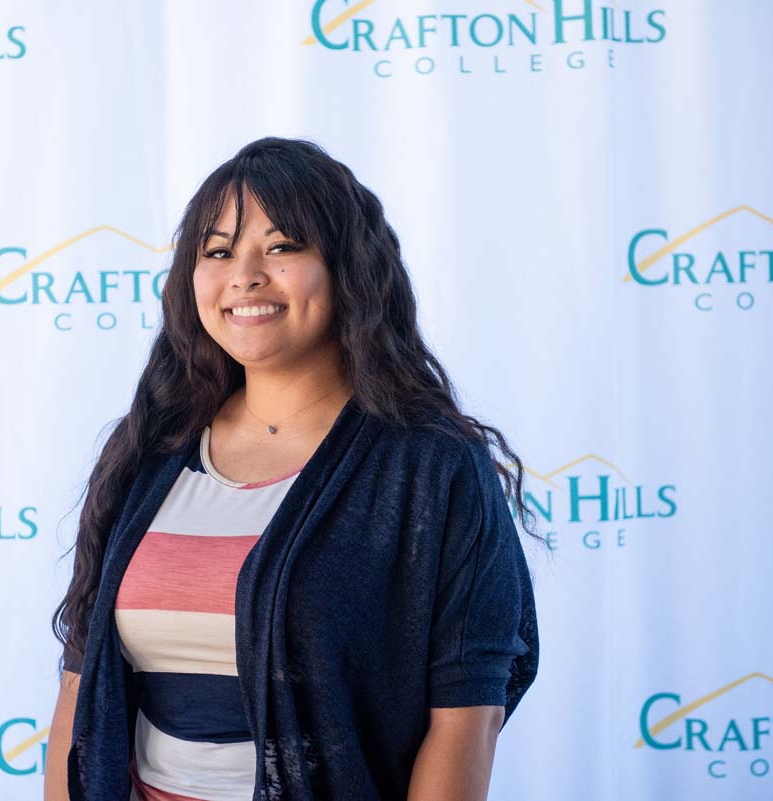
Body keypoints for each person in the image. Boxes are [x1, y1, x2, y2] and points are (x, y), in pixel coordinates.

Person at [43, 136, 541, 801]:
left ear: (348, 268)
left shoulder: (431, 467)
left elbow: (462, 723)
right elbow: (80, 686)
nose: (245, 275)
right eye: (217, 251)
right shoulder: (148, 452)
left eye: (281, 247)